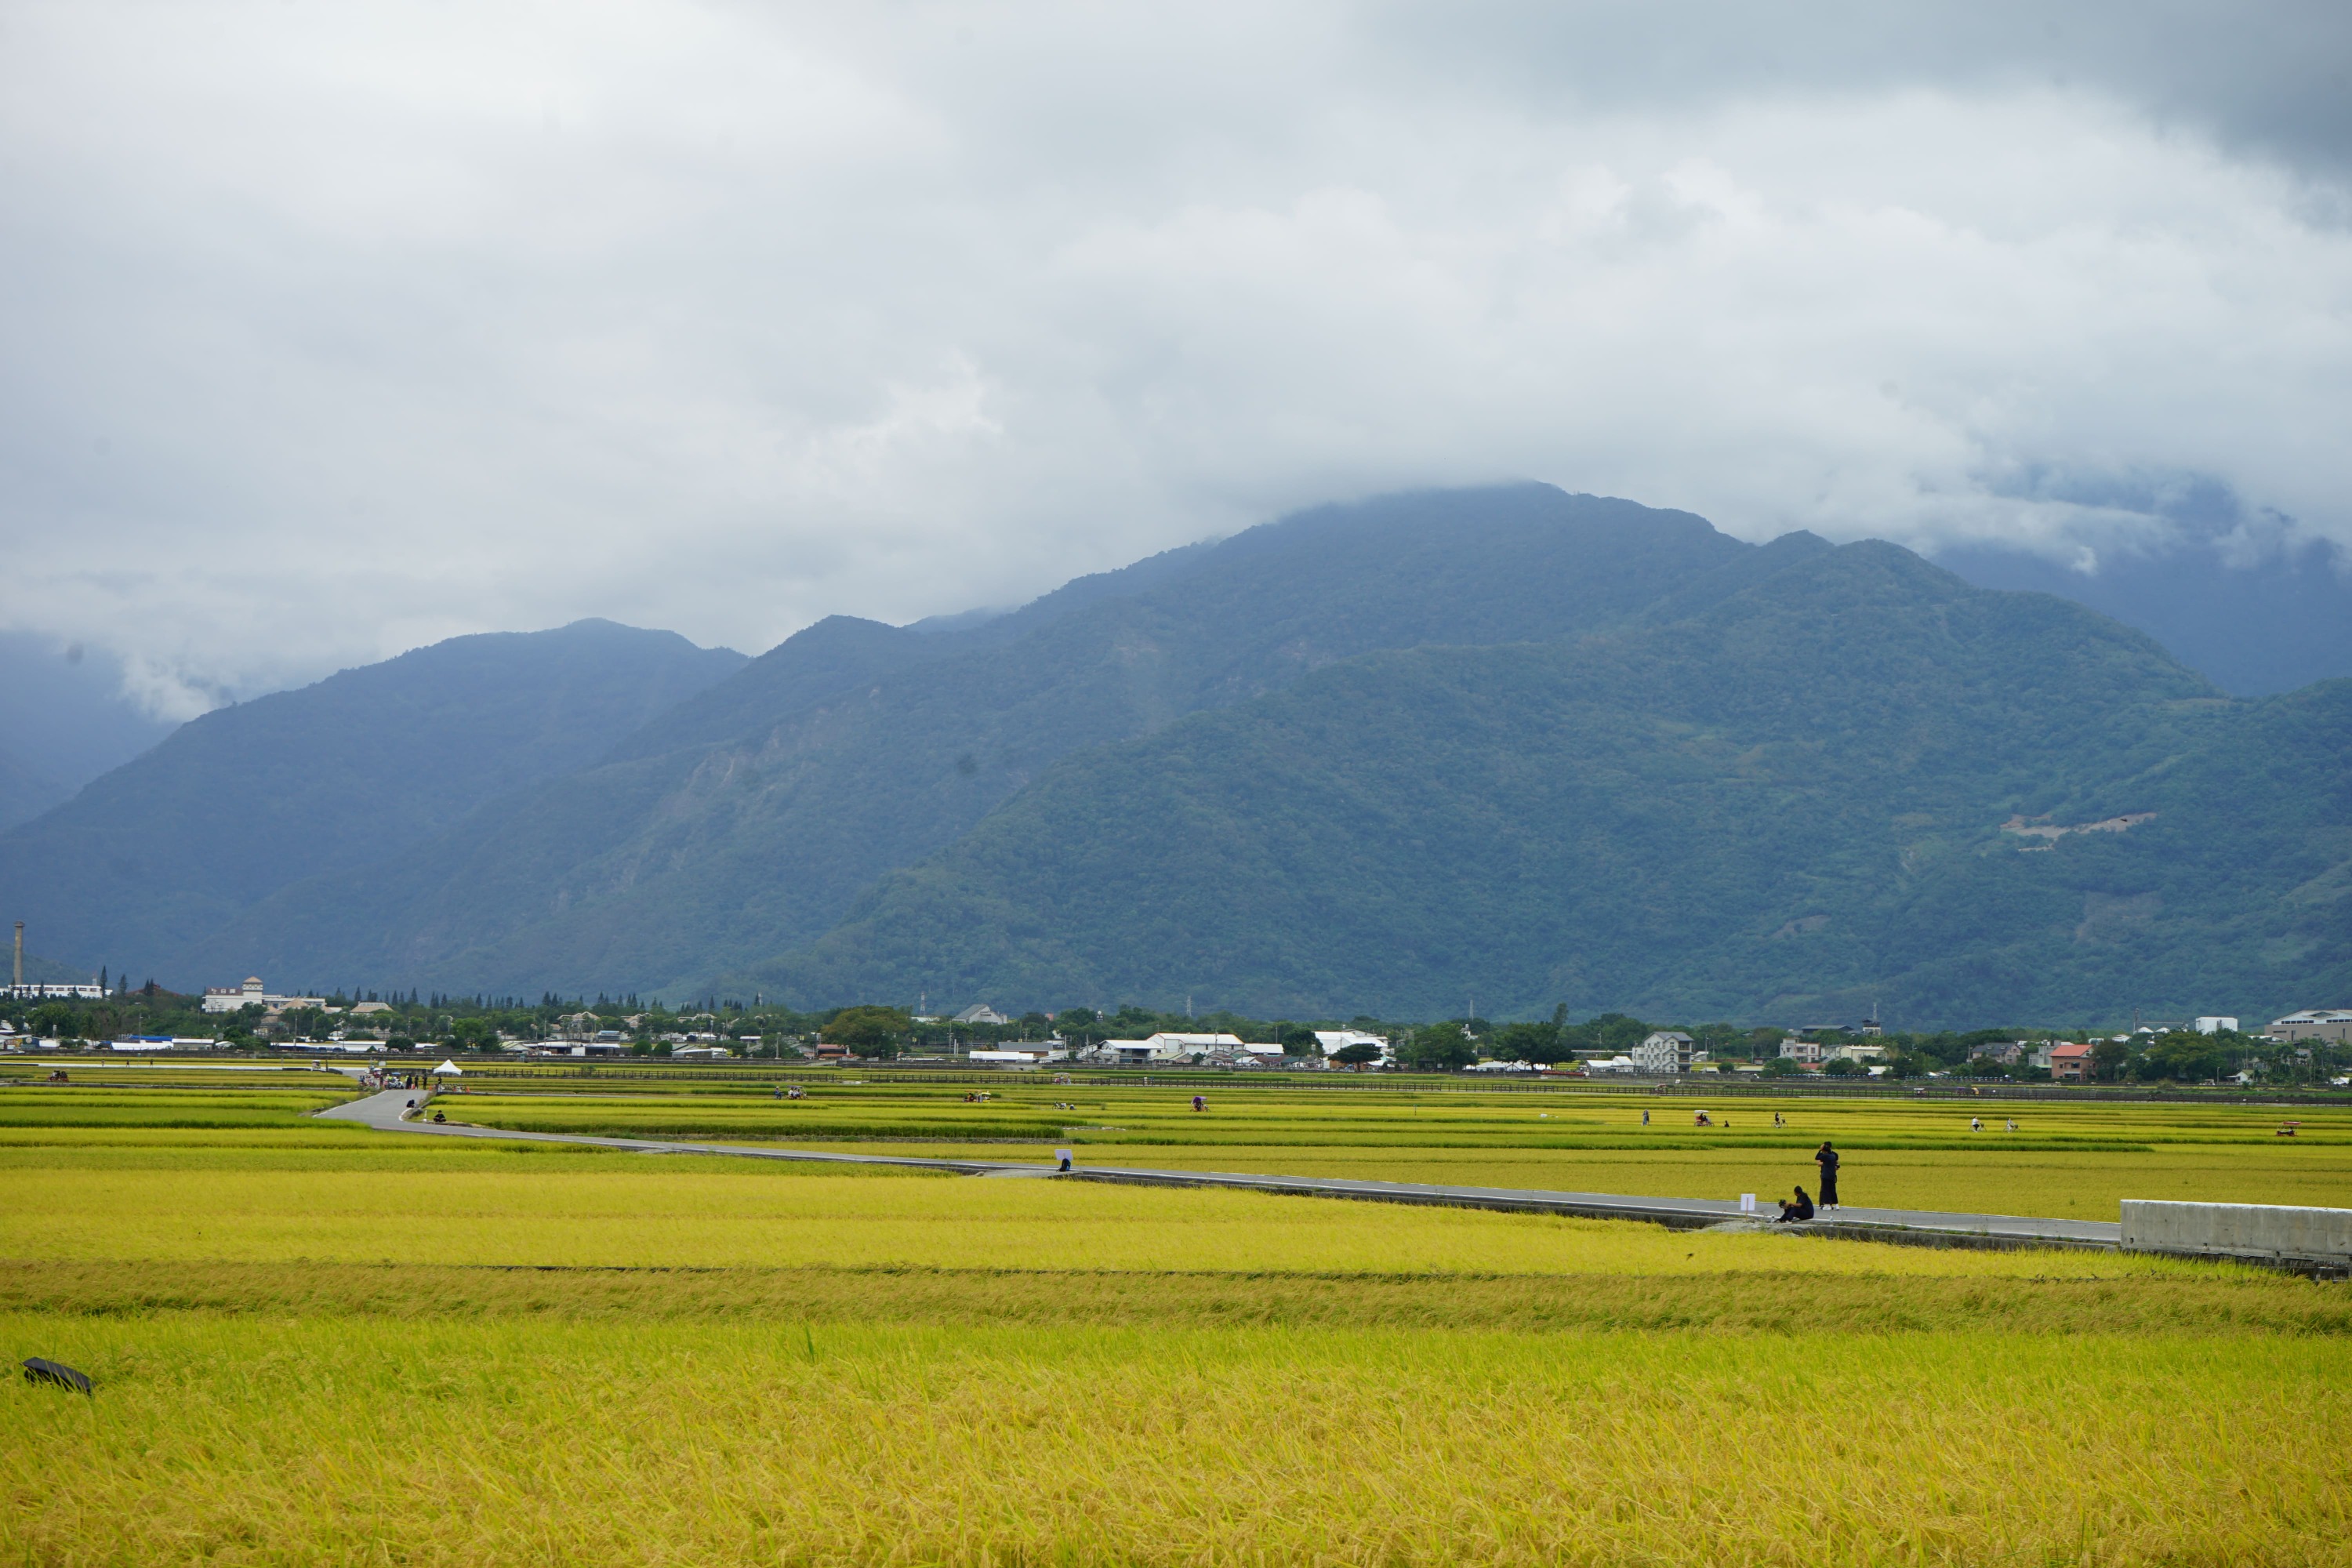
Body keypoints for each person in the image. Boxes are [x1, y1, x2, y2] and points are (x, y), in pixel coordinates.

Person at [1815, 1141, 1840, 1210]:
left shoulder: (1825, 1155)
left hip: (1826, 1174)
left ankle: (1827, 1204)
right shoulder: (1833, 1155)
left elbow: (1817, 1158)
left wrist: (1827, 1163)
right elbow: (1819, 1163)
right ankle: (1827, 1204)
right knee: (1830, 1189)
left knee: (1826, 1190)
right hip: (1831, 1174)